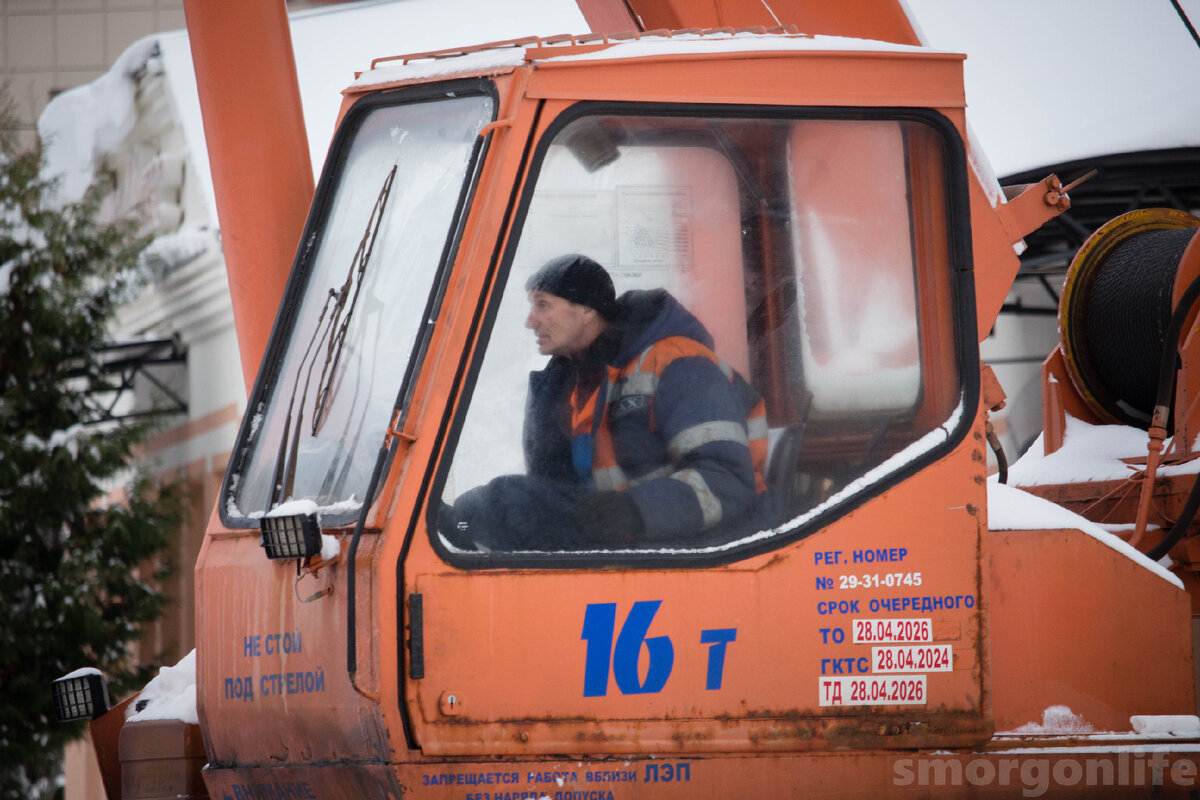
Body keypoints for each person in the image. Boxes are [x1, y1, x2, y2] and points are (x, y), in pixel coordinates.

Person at [441, 254, 778, 551]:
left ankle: (457, 526)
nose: (531, 320)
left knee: (511, 501)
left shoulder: (677, 364)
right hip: (630, 541)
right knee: (510, 505)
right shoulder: (569, 384)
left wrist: (634, 511)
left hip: (704, 544)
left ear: (587, 310)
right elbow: (560, 493)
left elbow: (727, 481)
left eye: (543, 305)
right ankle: (457, 526)